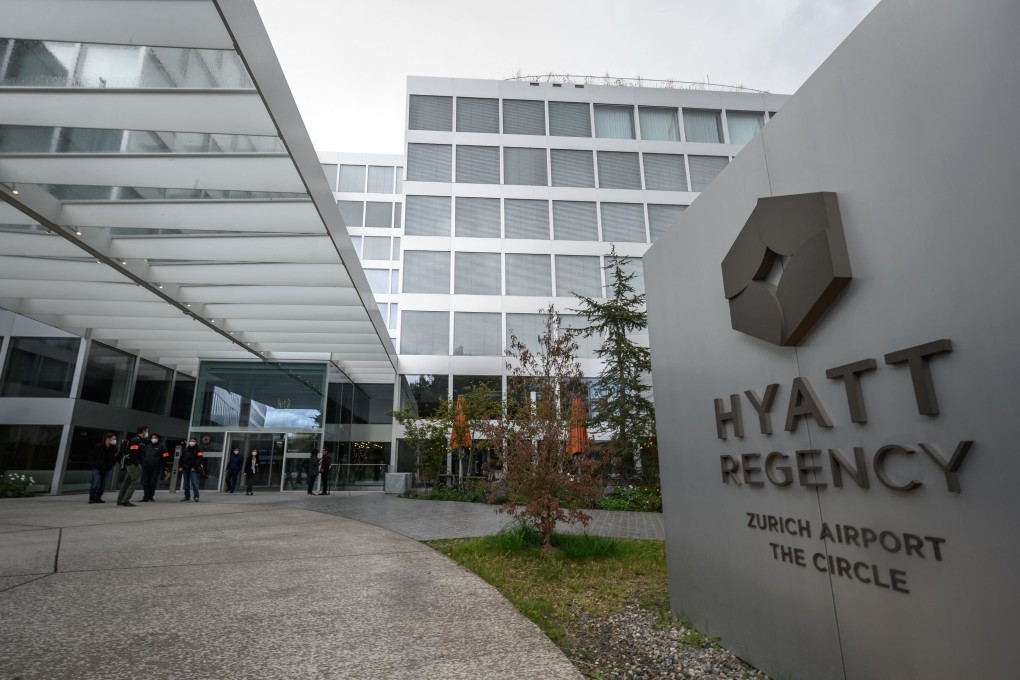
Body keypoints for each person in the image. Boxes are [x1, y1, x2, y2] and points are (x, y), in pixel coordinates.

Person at [116, 425, 147, 507]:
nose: (147, 433)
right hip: (133, 464)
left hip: (129, 463)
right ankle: (125, 501)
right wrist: (137, 463)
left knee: (126, 482)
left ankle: (120, 500)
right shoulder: (136, 440)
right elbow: (133, 452)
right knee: (136, 481)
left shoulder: (135, 439)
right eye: (146, 431)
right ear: (143, 431)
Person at [88, 432, 118, 504]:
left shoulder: (114, 448)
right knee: (95, 483)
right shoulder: (99, 446)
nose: (115, 440)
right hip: (97, 467)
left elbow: (115, 457)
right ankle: (92, 498)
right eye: (113, 439)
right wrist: (94, 463)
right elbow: (92, 455)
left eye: (115, 439)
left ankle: (98, 498)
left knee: (103, 484)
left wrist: (112, 464)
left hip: (107, 468)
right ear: (108, 439)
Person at [139, 432, 169, 502]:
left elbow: (166, 456)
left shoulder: (162, 446)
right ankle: (146, 497)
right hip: (146, 467)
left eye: (155, 437)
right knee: (145, 482)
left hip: (156, 467)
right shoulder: (148, 446)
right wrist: (143, 462)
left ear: (158, 439)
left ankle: (151, 496)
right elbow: (143, 455)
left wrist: (161, 464)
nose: (154, 439)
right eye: (153, 437)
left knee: (153, 482)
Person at [178, 437, 204, 502]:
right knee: (186, 483)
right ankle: (187, 496)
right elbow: (181, 458)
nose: (192, 442)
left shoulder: (199, 449)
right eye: (191, 441)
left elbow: (200, 459)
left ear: (196, 442)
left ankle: (196, 496)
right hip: (185, 468)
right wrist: (180, 466)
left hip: (193, 469)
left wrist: (195, 467)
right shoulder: (186, 450)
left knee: (194, 483)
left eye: (193, 441)